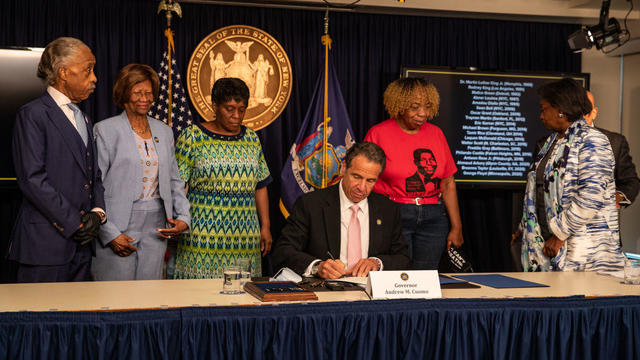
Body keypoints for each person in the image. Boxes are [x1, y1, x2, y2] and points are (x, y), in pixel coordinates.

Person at [9, 37, 105, 282]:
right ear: (64, 72)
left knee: (78, 319)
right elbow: (32, 179)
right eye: (88, 69)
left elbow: (93, 176)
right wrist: (76, 223)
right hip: (44, 248)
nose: (94, 78)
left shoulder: (83, 118)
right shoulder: (33, 115)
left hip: (82, 248)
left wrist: (97, 213)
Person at [92, 64, 190, 280]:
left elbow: (175, 180)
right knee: (115, 295)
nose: (144, 98)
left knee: (150, 294)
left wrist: (184, 217)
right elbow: (94, 187)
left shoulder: (164, 131)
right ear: (124, 94)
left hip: (157, 226)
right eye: (137, 93)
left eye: (148, 93)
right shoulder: (105, 130)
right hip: (117, 224)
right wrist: (109, 234)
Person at [520, 78, 625, 272]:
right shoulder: (552, 141)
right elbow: (541, 189)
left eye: (544, 109)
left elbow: (591, 197)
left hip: (584, 255)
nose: (541, 115)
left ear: (561, 109)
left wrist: (559, 234)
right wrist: (525, 226)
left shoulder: (592, 140)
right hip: (546, 248)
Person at [174, 78, 272, 278]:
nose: (236, 116)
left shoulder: (251, 139)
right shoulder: (192, 137)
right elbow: (178, 186)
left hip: (245, 237)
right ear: (215, 106)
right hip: (201, 237)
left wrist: (266, 226)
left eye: (241, 109)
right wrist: (179, 221)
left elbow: (260, 186)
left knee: (241, 297)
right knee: (198, 297)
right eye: (229, 109)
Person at [364, 78, 463, 270]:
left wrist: (456, 227)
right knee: (397, 276)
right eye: (415, 107)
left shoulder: (436, 134)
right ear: (399, 105)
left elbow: (448, 183)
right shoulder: (378, 134)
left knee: (426, 278)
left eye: (427, 107)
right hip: (394, 213)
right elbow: (365, 178)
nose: (423, 114)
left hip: (433, 216)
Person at [272, 142, 411, 279]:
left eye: (370, 181)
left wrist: (377, 263)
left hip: (371, 291)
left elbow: (403, 258)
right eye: (356, 177)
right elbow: (283, 251)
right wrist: (317, 267)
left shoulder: (388, 209)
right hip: (326, 291)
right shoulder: (310, 204)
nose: (362, 187)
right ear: (344, 168)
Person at [535, 90, 639, 208]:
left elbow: (630, 182)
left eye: (583, 111)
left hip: (593, 219)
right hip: (551, 218)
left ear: (593, 113)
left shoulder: (614, 142)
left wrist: (614, 198)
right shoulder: (545, 144)